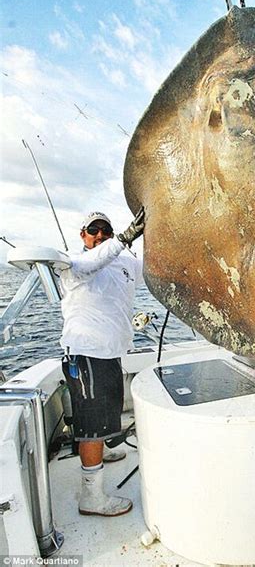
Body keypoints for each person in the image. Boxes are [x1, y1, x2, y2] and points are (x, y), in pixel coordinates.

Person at [60, 209, 144, 517]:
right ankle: (91, 498)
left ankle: (102, 452)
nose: (99, 234)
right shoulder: (73, 263)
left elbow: (155, 270)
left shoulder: (125, 263)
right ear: (82, 234)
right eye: (93, 229)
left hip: (111, 353)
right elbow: (91, 262)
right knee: (93, 424)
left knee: (109, 411)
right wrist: (122, 238)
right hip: (85, 353)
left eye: (105, 230)